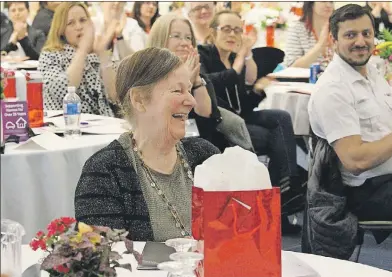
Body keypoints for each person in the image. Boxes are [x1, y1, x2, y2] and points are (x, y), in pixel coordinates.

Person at [75, 48, 220, 241]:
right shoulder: (104, 172)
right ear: (139, 100)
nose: (192, 101)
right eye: (177, 90)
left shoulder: (204, 155)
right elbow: (105, 259)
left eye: (189, 89)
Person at [199, 10, 305, 233]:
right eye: (226, 29)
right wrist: (242, 57)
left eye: (237, 30)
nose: (232, 34)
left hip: (241, 119)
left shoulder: (233, 58)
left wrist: (257, 90)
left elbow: (243, 106)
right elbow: (218, 93)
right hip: (218, 124)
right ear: (212, 32)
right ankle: (283, 199)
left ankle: (287, 186)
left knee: (281, 118)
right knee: (276, 139)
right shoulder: (204, 56)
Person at [308, 4, 392, 223]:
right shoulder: (333, 90)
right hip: (369, 190)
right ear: (334, 41)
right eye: (350, 35)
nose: (361, 42)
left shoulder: (371, 72)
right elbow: (356, 161)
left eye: (366, 34)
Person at [147, 13, 253, 152]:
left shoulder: (199, 73)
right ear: (160, 38)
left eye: (188, 37)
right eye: (176, 36)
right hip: (165, 146)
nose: (184, 42)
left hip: (202, 143)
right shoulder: (147, 74)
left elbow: (207, 114)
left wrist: (196, 80)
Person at [38, 2, 115, 116]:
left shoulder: (96, 53)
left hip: (104, 124)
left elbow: (115, 95)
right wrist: (82, 50)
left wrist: (102, 55)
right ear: (61, 29)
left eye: (83, 20)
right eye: (71, 23)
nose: (79, 27)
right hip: (66, 125)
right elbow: (63, 89)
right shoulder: (50, 55)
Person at [283, 2, 334, 68]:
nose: (328, 5)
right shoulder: (297, 28)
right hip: (306, 77)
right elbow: (292, 66)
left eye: (331, 1)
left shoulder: (338, 28)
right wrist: (320, 45)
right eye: (323, 1)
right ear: (311, 4)